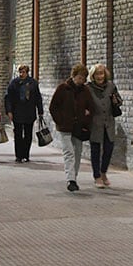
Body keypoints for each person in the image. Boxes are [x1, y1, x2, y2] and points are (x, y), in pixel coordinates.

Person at [48, 63, 91, 192]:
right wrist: (60, 121)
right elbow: (53, 107)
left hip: (79, 127)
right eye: (79, 77)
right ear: (73, 76)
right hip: (65, 127)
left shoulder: (85, 91)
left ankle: (74, 177)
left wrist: (86, 118)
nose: (81, 80)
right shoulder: (63, 89)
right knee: (69, 152)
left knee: (77, 153)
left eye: (83, 78)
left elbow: (90, 107)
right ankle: (70, 179)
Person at [86, 63, 121, 188]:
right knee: (95, 150)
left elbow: (119, 100)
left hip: (109, 122)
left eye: (101, 73)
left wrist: (116, 100)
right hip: (95, 123)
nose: (99, 76)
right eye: (97, 74)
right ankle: (97, 177)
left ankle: (103, 172)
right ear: (93, 76)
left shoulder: (111, 86)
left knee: (109, 148)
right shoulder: (88, 88)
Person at [4, 64, 43, 163]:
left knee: (28, 134)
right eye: (20, 72)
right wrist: (9, 111)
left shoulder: (33, 83)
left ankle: (26, 154)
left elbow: (38, 97)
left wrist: (40, 111)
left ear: (27, 72)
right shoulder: (14, 83)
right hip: (17, 111)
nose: (21, 74)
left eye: (23, 72)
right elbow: (8, 98)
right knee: (18, 134)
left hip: (29, 111)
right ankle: (18, 155)